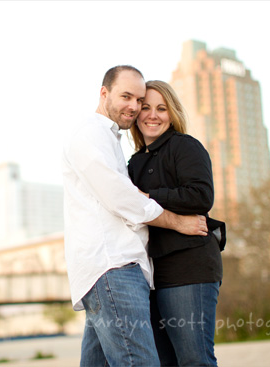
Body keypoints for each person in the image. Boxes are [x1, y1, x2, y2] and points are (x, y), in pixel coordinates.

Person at [61, 65, 209, 366]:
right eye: (126, 96)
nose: (134, 107)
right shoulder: (91, 135)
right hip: (113, 268)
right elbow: (122, 198)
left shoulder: (111, 140)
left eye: (137, 99)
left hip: (113, 270)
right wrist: (178, 221)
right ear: (104, 93)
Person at [127, 80, 224, 366]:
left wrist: (147, 196)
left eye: (161, 108)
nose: (152, 115)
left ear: (173, 114)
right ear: (135, 113)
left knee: (195, 360)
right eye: (145, 108)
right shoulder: (134, 163)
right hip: (152, 275)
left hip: (189, 267)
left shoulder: (184, 146)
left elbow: (201, 196)